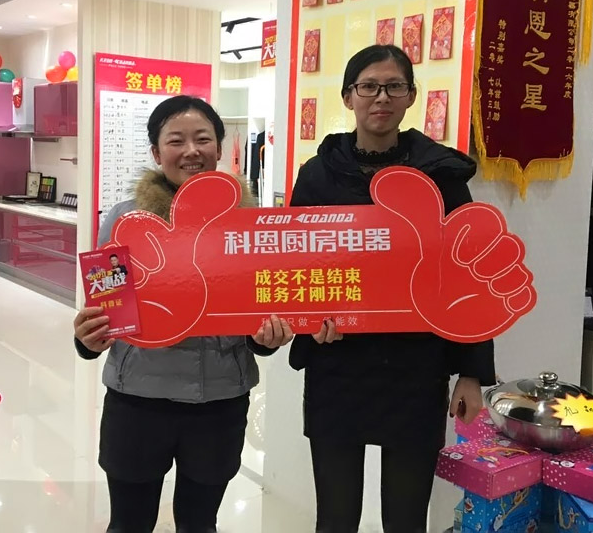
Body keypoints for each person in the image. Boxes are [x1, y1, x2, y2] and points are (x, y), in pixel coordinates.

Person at [288, 44, 496, 533]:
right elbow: (296, 264)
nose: (380, 97)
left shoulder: (441, 175)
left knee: (406, 519)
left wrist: (471, 373)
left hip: (415, 365)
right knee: (335, 517)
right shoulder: (318, 174)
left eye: (393, 86)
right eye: (368, 86)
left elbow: (467, 274)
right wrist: (307, 321)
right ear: (348, 97)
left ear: (410, 96)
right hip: (338, 363)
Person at [73, 95, 293, 533]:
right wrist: (87, 338)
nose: (191, 151)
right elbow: (106, 312)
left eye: (202, 139)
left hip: (219, 400)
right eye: (176, 141)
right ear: (157, 153)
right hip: (138, 398)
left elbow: (256, 316)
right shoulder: (124, 220)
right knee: (129, 524)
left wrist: (265, 338)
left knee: (199, 523)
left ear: (219, 147)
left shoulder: (249, 225)